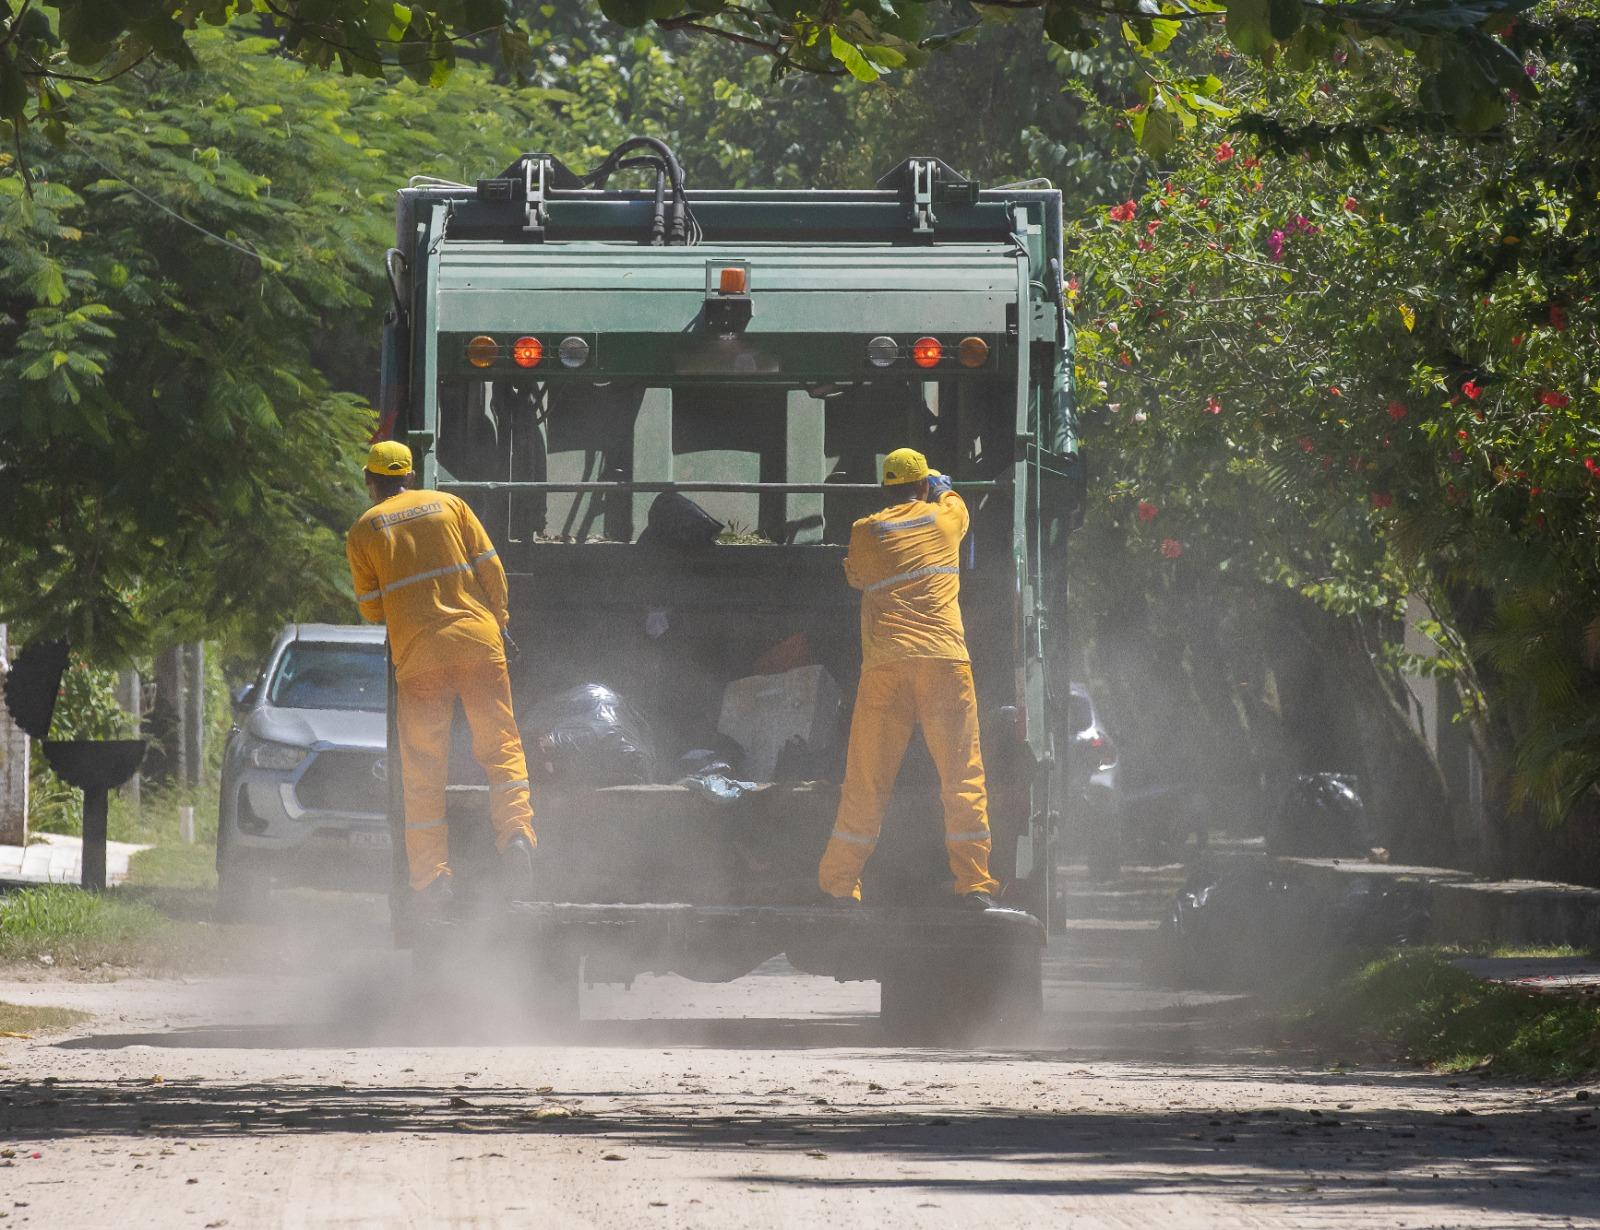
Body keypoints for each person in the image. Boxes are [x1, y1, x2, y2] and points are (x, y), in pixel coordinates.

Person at [345, 440, 536, 912]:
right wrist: (501, 622)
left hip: (420, 660)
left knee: (424, 769)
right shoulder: (451, 505)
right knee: (501, 746)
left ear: (371, 482)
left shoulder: (364, 530)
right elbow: (492, 570)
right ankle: (516, 836)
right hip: (479, 643)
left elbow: (372, 610)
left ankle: (432, 879)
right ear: (409, 476)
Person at [817, 447, 1000, 909]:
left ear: (885, 487)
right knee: (962, 778)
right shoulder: (944, 521)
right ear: (922, 486)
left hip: (886, 667)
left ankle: (840, 885)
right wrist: (941, 486)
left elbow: (855, 577)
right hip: (944, 664)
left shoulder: (867, 531)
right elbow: (956, 503)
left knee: (866, 781)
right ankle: (974, 883)